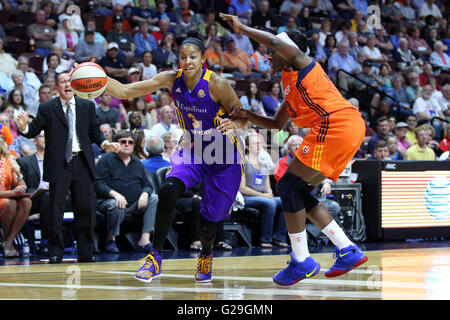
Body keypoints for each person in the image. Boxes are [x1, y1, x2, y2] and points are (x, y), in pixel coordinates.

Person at [220, 13, 368, 286]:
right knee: (298, 190)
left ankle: (301, 260)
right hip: (346, 127)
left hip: (335, 125)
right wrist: (245, 115)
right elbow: (276, 124)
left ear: (288, 51)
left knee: (287, 187)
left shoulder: (302, 63)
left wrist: (242, 28)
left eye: (272, 53)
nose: (269, 56)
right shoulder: (290, 85)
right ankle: (347, 250)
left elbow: (276, 40)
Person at [105, 30, 246, 283]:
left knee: (208, 222)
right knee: (168, 189)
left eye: (193, 57)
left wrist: (234, 124)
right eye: (183, 57)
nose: (188, 61)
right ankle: (155, 257)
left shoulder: (218, 84)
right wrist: (95, 77)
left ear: (203, 59)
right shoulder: (171, 79)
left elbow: (244, 117)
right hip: (193, 147)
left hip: (223, 155)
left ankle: (205, 255)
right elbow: (125, 91)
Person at [16, 73, 121, 264]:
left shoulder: (87, 106)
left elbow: (95, 132)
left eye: (70, 81)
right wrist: (24, 127)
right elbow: (34, 130)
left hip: (82, 162)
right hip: (59, 164)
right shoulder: (47, 107)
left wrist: (107, 144)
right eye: (63, 82)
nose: (67, 84)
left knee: (85, 209)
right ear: (57, 87)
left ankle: (86, 253)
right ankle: (55, 252)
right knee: (56, 209)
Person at [95, 130, 158, 254]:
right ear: (116, 144)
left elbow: (147, 185)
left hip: (134, 205)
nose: (127, 144)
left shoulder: (137, 163)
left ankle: (144, 240)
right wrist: (115, 194)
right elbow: (98, 184)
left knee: (154, 198)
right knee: (116, 204)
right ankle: (110, 240)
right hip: (109, 201)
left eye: (130, 142)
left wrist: (145, 194)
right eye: (123, 142)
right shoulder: (105, 160)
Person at [239, 133, 288, 248]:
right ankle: (265, 240)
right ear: (247, 147)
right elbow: (242, 188)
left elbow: (267, 186)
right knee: (270, 203)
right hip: (247, 197)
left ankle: (279, 237)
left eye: (259, 143)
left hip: (263, 196)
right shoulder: (243, 162)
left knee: (287, 201)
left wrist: (269, 193)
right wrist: (263, 195)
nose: (258, 145)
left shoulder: (263, 163)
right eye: (255, 143)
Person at [0, 136, 31, 258]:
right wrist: (12, 193)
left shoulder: (8, 161)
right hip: (7, 198)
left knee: (26, 202)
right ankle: (7, 240)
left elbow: (23, 186)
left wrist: (19, 175)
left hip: (7, 196)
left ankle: (8, 240)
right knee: (10, 203)